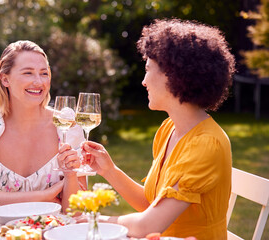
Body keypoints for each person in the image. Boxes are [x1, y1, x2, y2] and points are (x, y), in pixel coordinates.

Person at [76, 19, 235, 239]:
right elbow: (151, 205)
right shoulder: (168, 129)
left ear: (173, 75)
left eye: (148, 70)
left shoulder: (206, 144)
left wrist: (95, 220)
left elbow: (146, 226)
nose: (143, 81)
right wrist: (109, 170)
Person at [0, 40, 86, 211]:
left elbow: (77, 212)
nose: (39, 82)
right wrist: (44, 196)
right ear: (5, 79)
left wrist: (70, 176)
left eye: (44, 73)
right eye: (28, 73)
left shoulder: (68, 128)